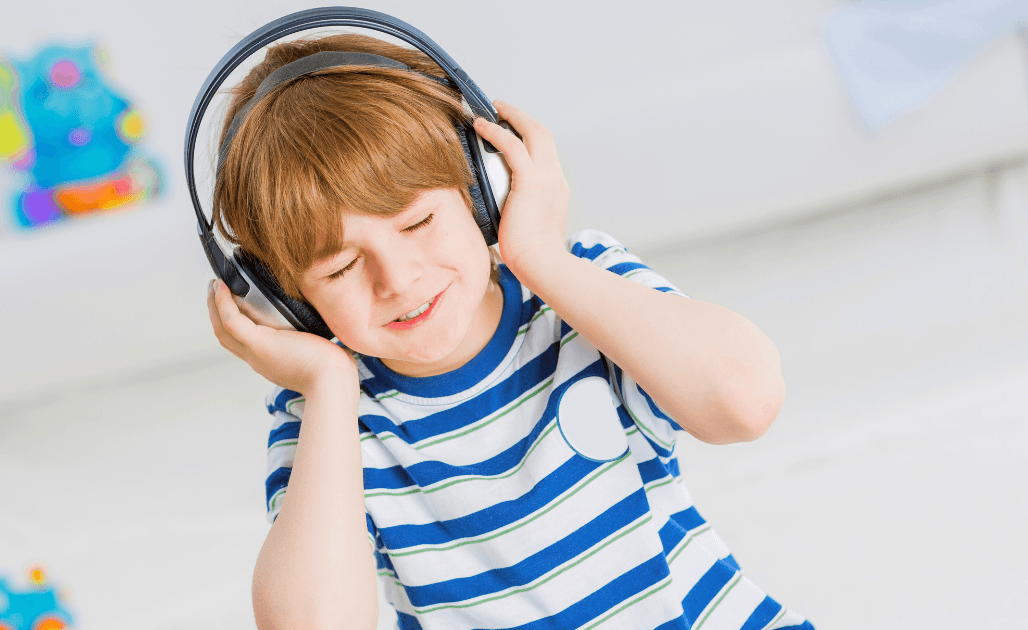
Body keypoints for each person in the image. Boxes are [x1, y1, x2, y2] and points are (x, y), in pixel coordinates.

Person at [206, 33, 813, 630]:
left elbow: (747, 401)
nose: (397, 279)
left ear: (482, 189)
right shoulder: (325, 418)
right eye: (339, 267)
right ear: (288, 301)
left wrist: (541, 258)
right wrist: (327, 382)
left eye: (417, 222)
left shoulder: (579, 295)